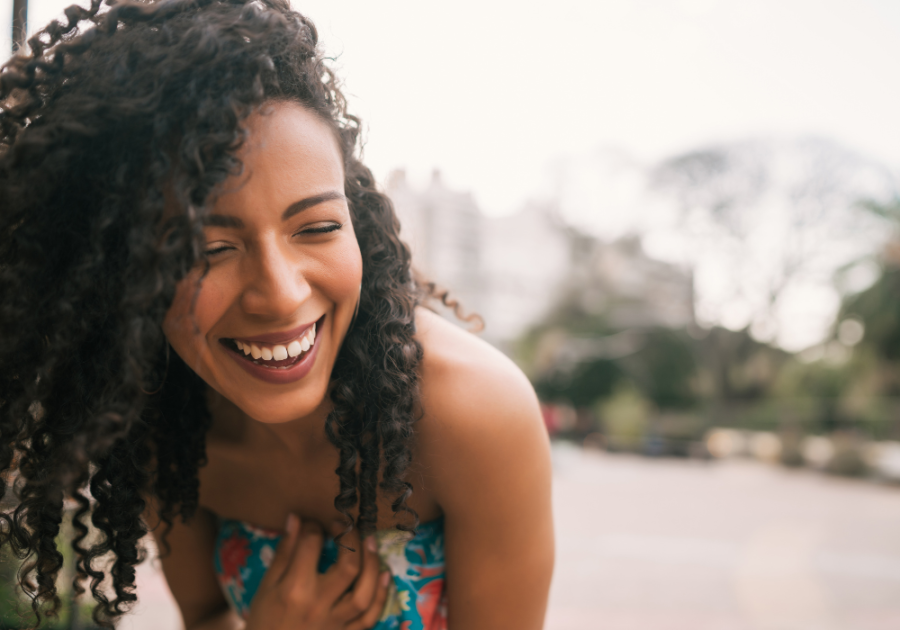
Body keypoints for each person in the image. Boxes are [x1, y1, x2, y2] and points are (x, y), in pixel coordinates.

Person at [0, 0, 554, 629]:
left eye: (316, 227)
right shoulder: (161, 429)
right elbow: (207, 615)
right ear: (124, 272)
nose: (283, 295)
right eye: (211, 248)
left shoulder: (473, 415)